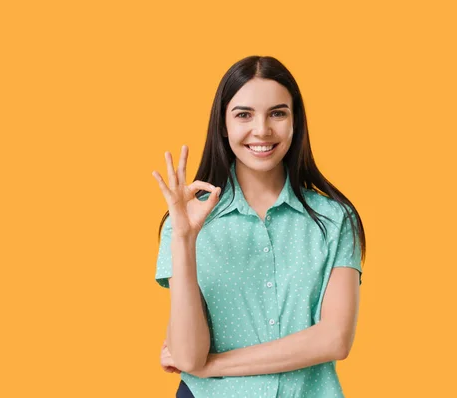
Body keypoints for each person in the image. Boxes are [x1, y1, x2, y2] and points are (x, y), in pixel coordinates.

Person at [151, 55, 366, 398]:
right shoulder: (185, 223)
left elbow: (335, 339)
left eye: (278, 113)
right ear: (223, 125)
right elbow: (188, 356)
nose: (262, 130)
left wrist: (214, 365)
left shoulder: (335, 220)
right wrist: (183, 240)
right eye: (244, 115)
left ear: (296, 123)